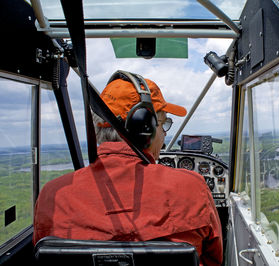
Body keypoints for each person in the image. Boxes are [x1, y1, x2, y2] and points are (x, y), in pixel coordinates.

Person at [33, 73, 223, 266]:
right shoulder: (192, 187)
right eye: (164, 123)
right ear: (145, 127)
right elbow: (213, 260)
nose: (165, 134)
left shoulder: (52, 196)